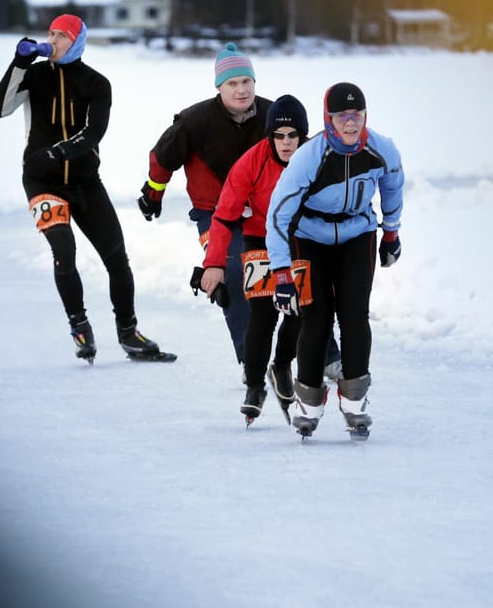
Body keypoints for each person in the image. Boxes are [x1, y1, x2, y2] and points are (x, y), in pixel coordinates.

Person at [0, 14, 173, 363]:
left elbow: (94, 132)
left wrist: (58, 151)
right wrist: (18, 64)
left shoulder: (96, 83)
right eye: (50, 33)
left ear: (75, 42)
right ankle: (79, 325)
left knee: (117, 259)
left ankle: (128, 332)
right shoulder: (35, 75)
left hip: (85, 182)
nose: (53, 40)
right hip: (42, 181)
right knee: (64, 250)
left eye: (61, 35)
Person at [265, 82, 404, 440]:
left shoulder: (381, 150)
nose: (350, 123)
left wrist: (391, 233)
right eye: (342, 116)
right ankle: (309, 403)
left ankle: (355, 400)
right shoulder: (310, 157)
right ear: (328, 119)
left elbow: (392, 185)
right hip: (311, 238)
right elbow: (279, 216)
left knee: (355, 314)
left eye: (357, 115)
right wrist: (281, 273)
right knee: (317, 318)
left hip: (358, 235)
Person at [138, 43, 271, 369]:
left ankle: (323, 356)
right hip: (213, 213)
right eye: (232, 83)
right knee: (233, 272)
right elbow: (161, 159)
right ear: (219, 87)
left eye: (246, 82)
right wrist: (152, 195)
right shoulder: (194, 121)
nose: (241, 90)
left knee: (276, 275)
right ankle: (250, 360)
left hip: (261, 213)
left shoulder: (272, 115)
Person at [199, 95, 314, 424]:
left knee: (299, 309)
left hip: (300, 239)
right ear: (269, 137)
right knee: (262, 315)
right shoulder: (251, 162)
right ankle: (254, 386)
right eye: (279, 136)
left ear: (303, 136)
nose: (286, 143)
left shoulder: (314, 159)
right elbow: (223, 217)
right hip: (259, 237)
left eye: (293, 135)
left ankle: (281, 364)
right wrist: (215, 263)